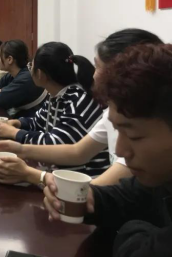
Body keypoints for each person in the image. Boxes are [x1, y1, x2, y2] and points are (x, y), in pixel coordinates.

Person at [0, 29, 163, 186]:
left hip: (83, 181)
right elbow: (77, 151)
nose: (93, 75)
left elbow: (88, 191)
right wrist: (19, 148)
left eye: (98, 67)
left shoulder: (79, 101)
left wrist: (31, 174)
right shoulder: (109, 112)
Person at [44, 43, 172, 257]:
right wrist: (90, 198)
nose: (120, 150)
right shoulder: (161, 177)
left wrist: (130, 229)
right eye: (117, 131)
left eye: (134, 136)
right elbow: (131, 195)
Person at [0, 42, 108, 183]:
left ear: (40, 74)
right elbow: (38, 121)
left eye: (31, 66)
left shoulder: (77, 100)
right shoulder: (57, 95)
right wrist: (17, 123)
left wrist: (15, 133)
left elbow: (54, 143)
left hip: (82, 184)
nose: (29, 70)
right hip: (56, 175)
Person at [0, 39, 45, 117]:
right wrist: (0, 92)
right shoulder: (12, 74)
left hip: (30, 120)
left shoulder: (25, 79)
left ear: (9, 59)